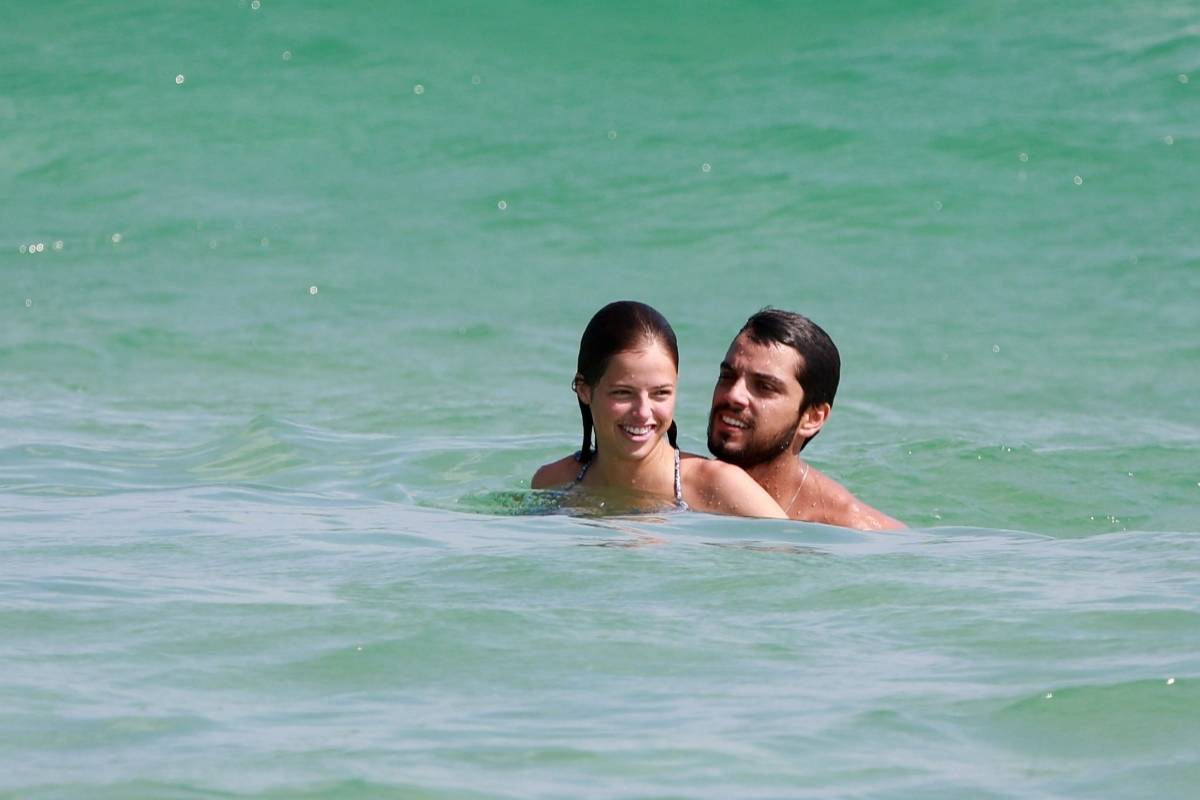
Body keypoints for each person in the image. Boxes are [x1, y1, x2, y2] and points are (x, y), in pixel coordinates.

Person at [532, 301, 788, 519]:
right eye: (623, 393)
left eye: (660, 393)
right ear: (584, 390)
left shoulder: (719, 487)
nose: (644, 412)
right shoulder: (552, 483)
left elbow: (793, 563)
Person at [708, 308, 905, 531]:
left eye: (765, 387)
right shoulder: (677, 483)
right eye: (727, 376)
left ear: (813, 417)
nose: (733, 395)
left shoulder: (848, 529)